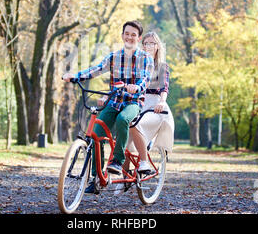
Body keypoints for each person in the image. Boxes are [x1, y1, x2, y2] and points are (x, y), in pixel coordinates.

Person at [62, 20, 154, 194]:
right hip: (114, 100)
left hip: (133, 102)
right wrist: (75, 76)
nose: (129, 37)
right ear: (122, 35)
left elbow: (145, 79)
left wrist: (137, 87)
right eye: (127, 33)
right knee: (95, 134)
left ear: (139, 38)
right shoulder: (114, 56)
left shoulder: (146, 58)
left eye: (133, 35)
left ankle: (117, 162)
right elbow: (96, 70)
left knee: (123, 119)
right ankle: (96, 177)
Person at [122, 31, 175, 181]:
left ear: (158, 46)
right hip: (138, 103)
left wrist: (162, 101)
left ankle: (145, 155)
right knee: (124, 138)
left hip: (155, 106)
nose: (148, 46)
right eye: (145, 43)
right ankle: (124, 178)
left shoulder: (162, 66)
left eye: (152, 43)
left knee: (135, 124)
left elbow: (164, 87)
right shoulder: (136, 65)